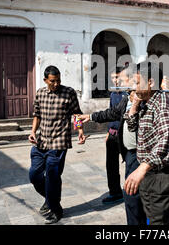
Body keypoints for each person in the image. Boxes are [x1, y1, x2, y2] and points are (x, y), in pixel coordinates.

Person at [78, 64, 147, 225]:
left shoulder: (144, 100)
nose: (119, 84)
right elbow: (113, 112)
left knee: (134, 196)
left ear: (133, 80)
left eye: (122, 80)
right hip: (129, 151)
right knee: (132, 197)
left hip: (141, 154)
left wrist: (136, 106)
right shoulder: (126, 99)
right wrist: (91, 116)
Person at [124, 61, 169, 225]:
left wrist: (142, 168)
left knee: (160, 222)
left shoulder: (162, 104)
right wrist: (135, 106)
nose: (134, 88)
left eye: (137, 83)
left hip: (162, 175)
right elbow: (132, 127)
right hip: (151, 172)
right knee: (151, 215)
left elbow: (165, 140)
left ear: (150, 82)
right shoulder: (146, 102)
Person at [28, 65, 88, 224]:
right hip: (41, 142)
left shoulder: (69, 92)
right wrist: (33, 132)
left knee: (53, 177)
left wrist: (80, 131)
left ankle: (56, 209)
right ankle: (50, 199)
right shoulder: (40, 93)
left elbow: (76, 114)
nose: (56, 84)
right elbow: (37, 115)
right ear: (45, 80)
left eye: (58, 80)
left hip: (59, 142)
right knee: (34, 175)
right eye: (53, 81)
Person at [101, 67, 126, 205]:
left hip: (125, 136)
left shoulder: (128, 94)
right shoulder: (113, 94)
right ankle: (115, 193)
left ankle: (133, 192)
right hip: (112, 135)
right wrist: (108, 132)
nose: (115, 80)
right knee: (111, 166)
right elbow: (111, 114)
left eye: (117, 77)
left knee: (130, 164)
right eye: (113, 78)